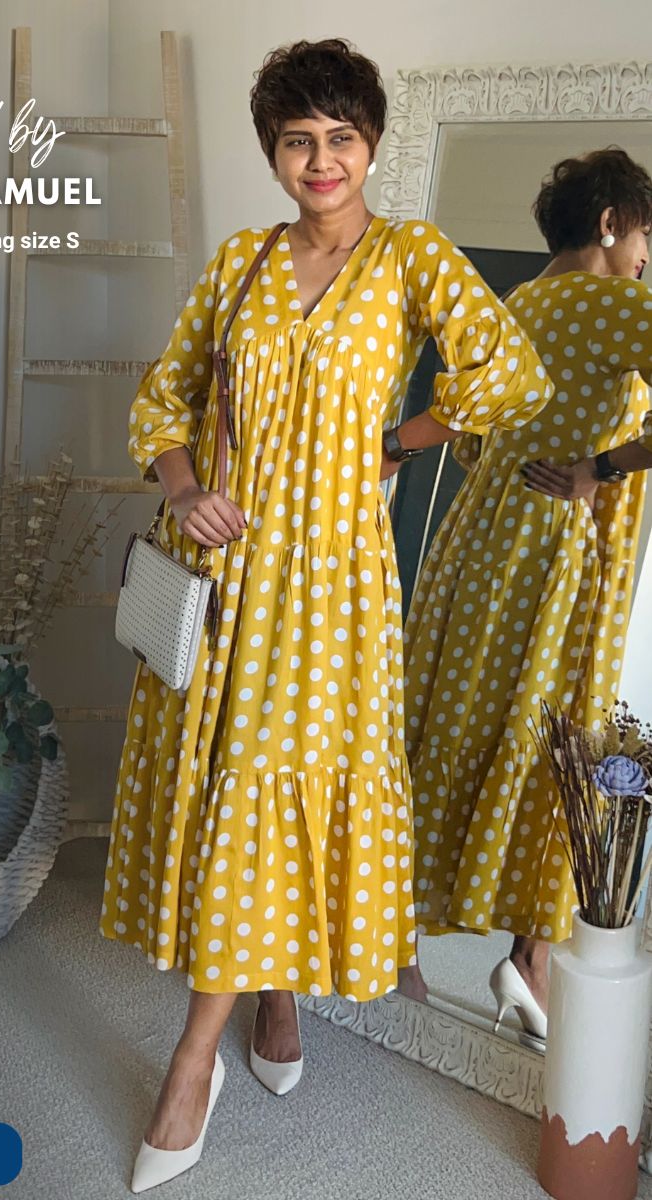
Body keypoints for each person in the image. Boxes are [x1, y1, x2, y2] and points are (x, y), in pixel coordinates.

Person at [99, 38, 552, 1192]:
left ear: (372, 143)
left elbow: (509, 374)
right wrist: (183, 489)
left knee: (280, 781)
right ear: (273, 149)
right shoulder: (242, 261)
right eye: (298, 139)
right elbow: (163, 393)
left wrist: (398, 439)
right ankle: (267, 999)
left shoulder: (409, 257)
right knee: (234, 789)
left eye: (341, 137)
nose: (321, 160)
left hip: (333, 590)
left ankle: (191, 1062)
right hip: (227, 572)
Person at [400, 148, 652, 1036]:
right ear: (612, 223)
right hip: (548, 551)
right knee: (554, 732)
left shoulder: (511, 306)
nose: (646, 258)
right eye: (647, 237)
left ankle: (399, 945)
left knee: (448, 713)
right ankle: (529, 959)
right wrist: (602, 467)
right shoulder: (617, 305)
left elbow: (472, 438)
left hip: (475, 538)